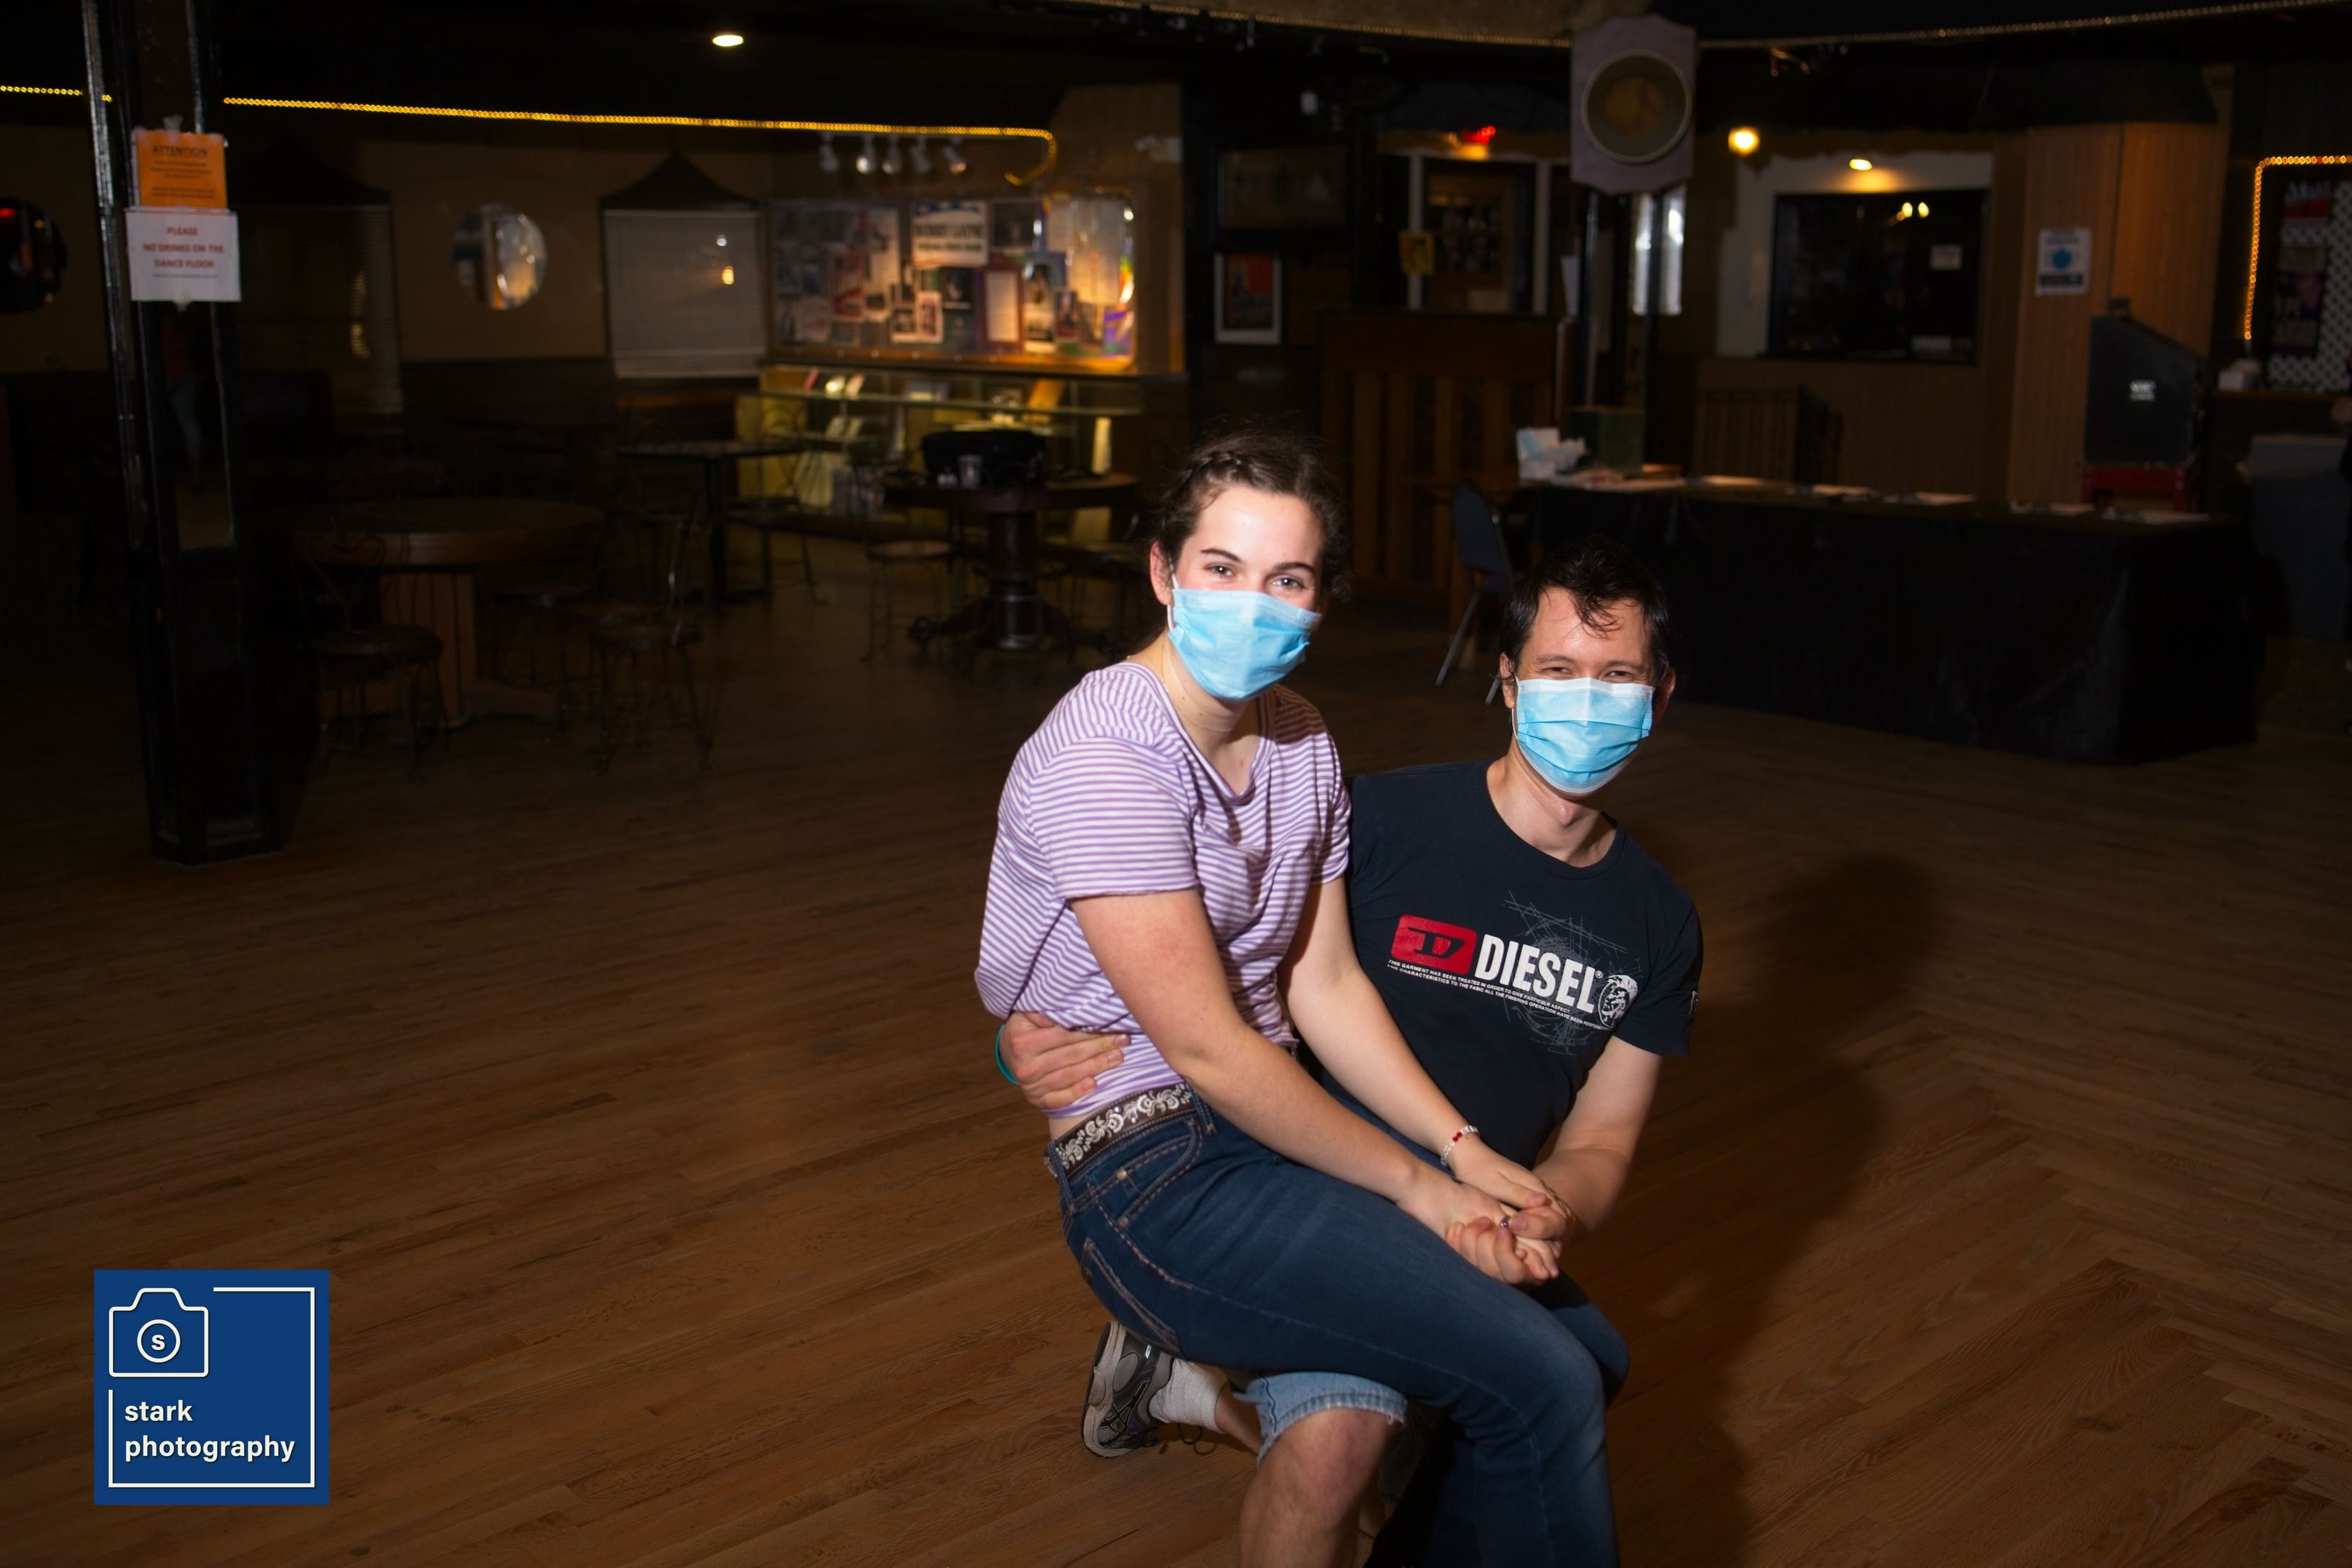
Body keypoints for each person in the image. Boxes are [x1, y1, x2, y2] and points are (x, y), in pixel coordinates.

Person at [977, 431, 1624, 1568]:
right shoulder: (1106, 755)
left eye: (1287, 578)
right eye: (1221, 568)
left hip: (1271, 1135)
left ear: (1321, 601)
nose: (1252, 603)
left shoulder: (1298, 738)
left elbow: (1322, 983)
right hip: (1156, 1170)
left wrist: (1460, 1149)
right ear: (1163, 571)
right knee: (1543, 1381)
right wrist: (1422, 1191)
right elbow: (1210, 1052)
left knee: (1585, 1356)